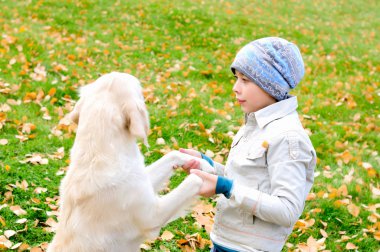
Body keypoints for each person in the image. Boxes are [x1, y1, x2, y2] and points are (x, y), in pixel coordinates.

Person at [179, 37, 316, 252]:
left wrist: (225, 187)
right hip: (226, 240)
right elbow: (248, 181)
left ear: (270, 85)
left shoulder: (288, 137)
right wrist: (208, 167)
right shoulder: (256, 124)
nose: (235, 87)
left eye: (245, 80)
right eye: (236, 78)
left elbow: (287, 210)